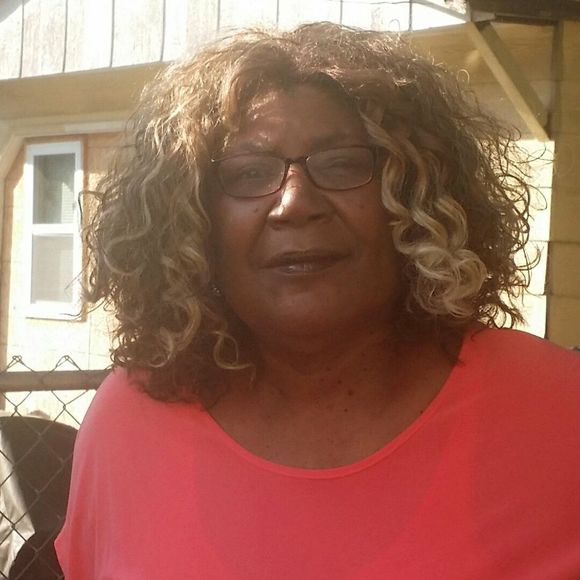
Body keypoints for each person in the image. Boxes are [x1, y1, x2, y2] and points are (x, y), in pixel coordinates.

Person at [55, 22, 580, 579]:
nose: (294, 204)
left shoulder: (558, 408)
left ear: (417, 196)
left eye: (343, 164)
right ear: (192, 221)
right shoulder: (127, 422)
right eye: (248, 173)